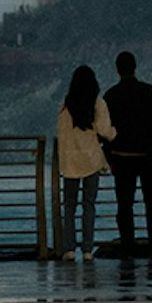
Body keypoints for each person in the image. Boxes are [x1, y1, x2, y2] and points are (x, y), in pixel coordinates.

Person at [103, 50, 152, 256]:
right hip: (149, 157)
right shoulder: (150, 91)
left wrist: (110, 157)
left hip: (122, 158)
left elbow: (105, 132)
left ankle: (128, 247)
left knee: (124, 206)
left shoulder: (111, 95)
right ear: (135, 67)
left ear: (117, 69)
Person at [56, 64, 115, 260]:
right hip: (91, 160)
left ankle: (69, 248)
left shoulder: (66, 104)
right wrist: (116, 134)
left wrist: (62, 160)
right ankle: (88, 249)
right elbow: (104, 130)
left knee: (70, 206)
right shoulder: (98, 103)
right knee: (89, 204)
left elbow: (62, 134)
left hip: (71, 161)